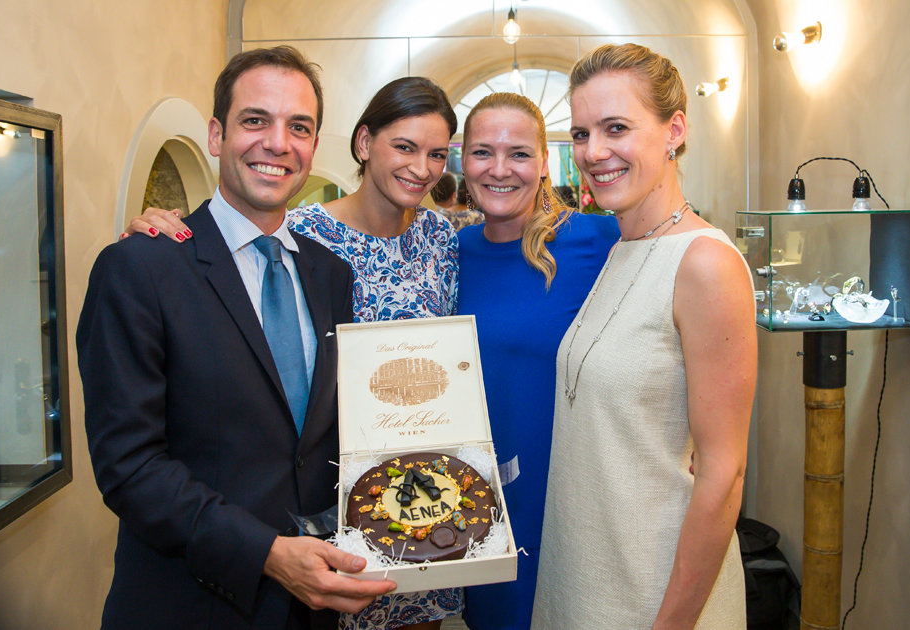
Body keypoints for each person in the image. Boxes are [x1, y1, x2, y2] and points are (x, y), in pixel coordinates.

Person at [124, 75, 460, 630]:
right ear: (363, 143)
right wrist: (160, 231)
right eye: (404, 147)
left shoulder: (441, 238)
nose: (421, 168)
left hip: (414, 497)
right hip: (283, 541)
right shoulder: (299, 235)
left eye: (437, 155)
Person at [77, 46, 395, 630]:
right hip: (191, 605)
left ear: (314, 146)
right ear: (217, 135)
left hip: (312, 609)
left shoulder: (329, 275)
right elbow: (130, 468)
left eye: (298, 126)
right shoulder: (141, 268)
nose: (278, 143)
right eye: (256, 120)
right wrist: (269, 556)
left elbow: (323, 441)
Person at [532, 43, 755, 629]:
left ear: (674, 130)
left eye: (616, 128)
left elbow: (723, 474)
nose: (593, 152)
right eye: (581, 134)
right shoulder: (623, 246)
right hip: (586, 574)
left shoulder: (705, 264)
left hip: (657, 592)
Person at [455, 92, 621, 630]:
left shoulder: (600, 240)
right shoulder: (446, 252)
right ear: (461, 158)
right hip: (483, 499)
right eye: (483, 152)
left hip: (575, 489)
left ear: (545, 162)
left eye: (519, 153)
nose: (500, 169)